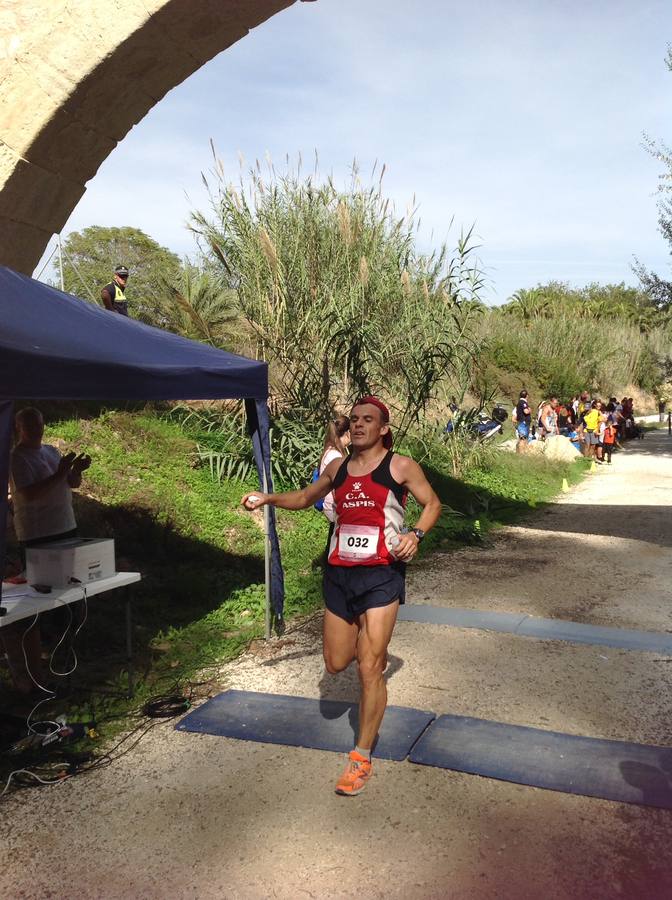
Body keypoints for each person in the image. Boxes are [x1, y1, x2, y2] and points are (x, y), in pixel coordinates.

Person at [242, 397, 441, 796]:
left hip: (381, 575)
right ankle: (369, 651)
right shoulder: (337, 468)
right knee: (335, 663)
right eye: (355, 420)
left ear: (384, 428)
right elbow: (303, 498)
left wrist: (415, 535)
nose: (360, 425)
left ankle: (361, 756)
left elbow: (432, 503)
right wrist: (268, 499)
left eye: (369, 420)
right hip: (339, 575)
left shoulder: (399, 466)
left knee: (369, 667)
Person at [2, 407, 91, 694]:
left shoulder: (52, 451)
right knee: (40, 604)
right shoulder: (17, 458)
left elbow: (71, 484)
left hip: (65, 526)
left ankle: (66, 660)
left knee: (72, 598)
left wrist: (74, 471)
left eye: (39, 425)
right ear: (18, 428)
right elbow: (28, 494)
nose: (36, 430)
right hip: (39, 535)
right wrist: (62, 472)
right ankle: (38, 670)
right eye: (29, 426)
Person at [318, 415, 351, 524]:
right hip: (333, 508)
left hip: (331, 506)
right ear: (347, 433)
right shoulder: (335, 456)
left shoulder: (330, 450)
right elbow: (336, 487)